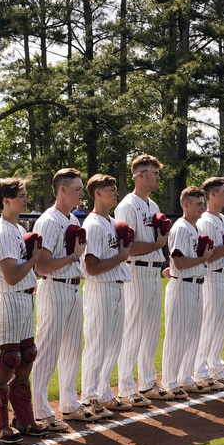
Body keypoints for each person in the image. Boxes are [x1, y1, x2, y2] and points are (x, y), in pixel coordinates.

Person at [0, 177, 49, 443]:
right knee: (6, 361)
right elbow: (11, 276)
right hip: (9, 298)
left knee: (25, 358)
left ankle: (24, 419)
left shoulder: (17, 228)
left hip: (23, 298)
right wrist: (34, 258)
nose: (25, 199)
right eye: (21, 195)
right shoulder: (2, 231)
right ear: (6, 200)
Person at [31, 168, 93, 427]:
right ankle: (40, 410)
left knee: (72, 348)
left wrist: (73, 259)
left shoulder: (73, 221)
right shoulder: (48, 220)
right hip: (53, 286)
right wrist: (73, 256)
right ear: (62, 190)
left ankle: (69, 402)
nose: (81, 193)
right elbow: (41, 266)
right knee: (48, 349)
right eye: (77, 189)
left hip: (73, 287)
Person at [115, 155, 171, 402]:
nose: (158, 176)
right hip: (136, 269)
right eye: (154, 172)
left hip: (153, 270)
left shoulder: (153, 205)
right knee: (133, 329)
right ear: (140, 175)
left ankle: (148, 383)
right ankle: (126, 386)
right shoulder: (128, 204)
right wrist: (157, 244)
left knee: (150, 329)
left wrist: (156, 246)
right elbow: (125, 245)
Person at [80, 173, 133, 412]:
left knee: (113, 343)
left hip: (117, 285)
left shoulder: (111, 222)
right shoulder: (92, 224)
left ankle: (102, 393)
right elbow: (91, 267)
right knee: (97, 343)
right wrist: (121, 257)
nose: (114, 191)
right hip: (100, 288)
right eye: (109, 188)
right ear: (97, 193)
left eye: (114, 187)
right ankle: (89, 396)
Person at [160, 187, 211, 396]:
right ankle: (170, 381)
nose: (202, 207)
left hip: (196, 284)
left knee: (192, 335)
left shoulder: (195, 228)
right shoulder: (181, 227)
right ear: (186, 205)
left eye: (203, 203)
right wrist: (203, 258)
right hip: (183, 285)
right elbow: (179, 262)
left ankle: (184, 377)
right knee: (177, 335)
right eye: (198, 203)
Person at [193, 177, 224, 384]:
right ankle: (200, 370)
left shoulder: (223, 218)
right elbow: (209, 256)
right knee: (209, 325)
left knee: (220, 325)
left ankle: (216, 368)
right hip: (212, 275)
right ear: (212, 194)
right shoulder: (205, 221)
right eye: (223, 191)